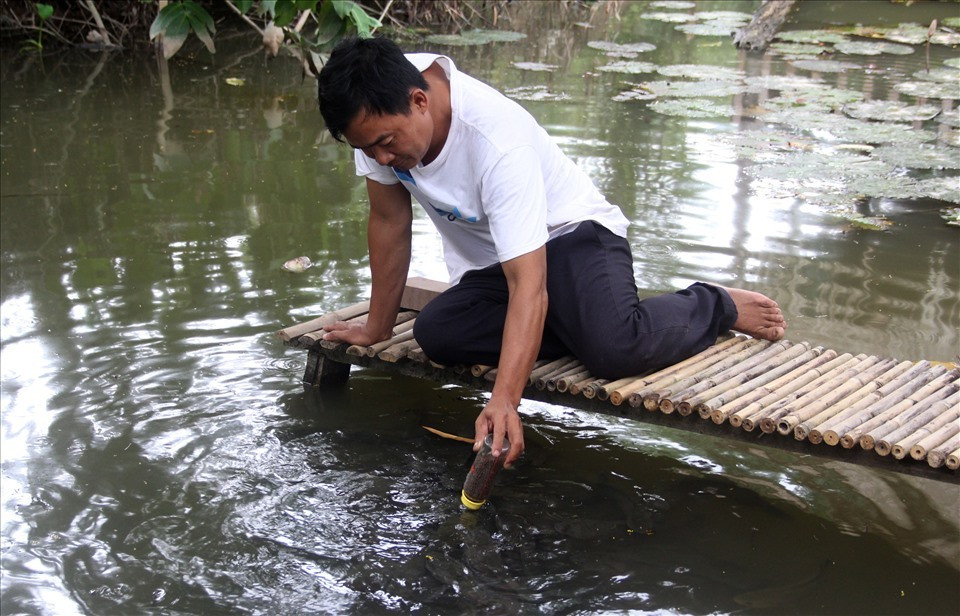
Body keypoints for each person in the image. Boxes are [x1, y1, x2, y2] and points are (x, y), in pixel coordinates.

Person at [317, 36, 786, 469]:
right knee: (437, 332)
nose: (381, 159)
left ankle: (714, 303)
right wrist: (377, 327)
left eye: (385, 144)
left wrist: (504, 401)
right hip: (497, 265)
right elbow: (389, 222)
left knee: (614, 349)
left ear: (420, 101)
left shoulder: (496, 141)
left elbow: (529, 284)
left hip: (574, 237)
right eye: (367, 149)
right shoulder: (375, 114)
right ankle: (579, 320)